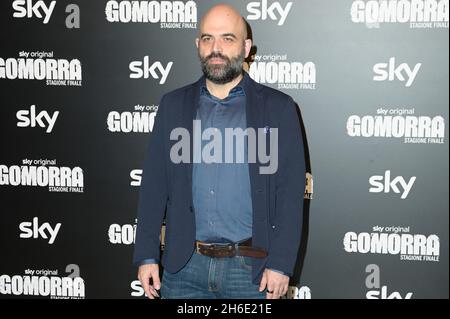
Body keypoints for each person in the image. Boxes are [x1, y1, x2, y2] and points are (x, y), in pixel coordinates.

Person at [133, 3, 306, 299]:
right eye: (207, 38)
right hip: (183, 268)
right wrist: (147, 254)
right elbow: (153, 186)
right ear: (198, 44)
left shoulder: (278, 109)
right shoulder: (173, 106)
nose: (216, 48)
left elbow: (290, 193)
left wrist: (281, 263)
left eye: (227, 38)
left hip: (252, 272)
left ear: (246, 46)